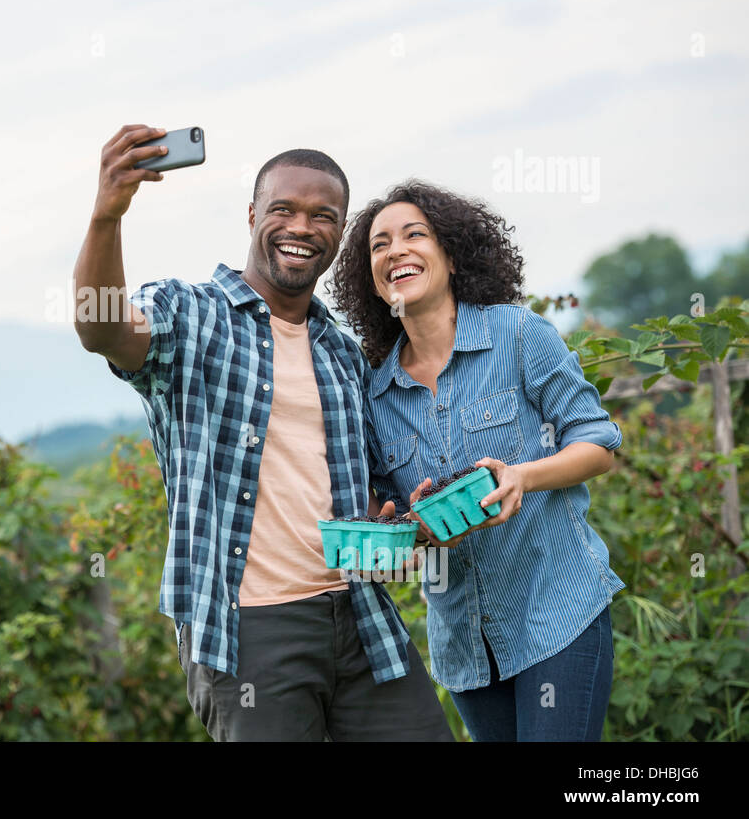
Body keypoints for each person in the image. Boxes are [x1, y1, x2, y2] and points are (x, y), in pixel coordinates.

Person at [73, 124, 453, 741]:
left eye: (323, 216)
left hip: (361, 617)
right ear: (252, 214)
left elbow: (361, 493)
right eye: (284, 209)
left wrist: (400, 524)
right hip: (249, 630)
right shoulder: (190, 316)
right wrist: (106, 215)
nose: (302, 227)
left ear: (340, 231)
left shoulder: (342, 353)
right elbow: (101, 329)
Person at [329, 178, 623, 742]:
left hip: (556, 613)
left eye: (415, 235)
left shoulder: (518, 335)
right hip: (464, 646)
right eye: (379, 244)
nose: (396, 251)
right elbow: (393, 512)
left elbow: (597, 443)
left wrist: (522, 477)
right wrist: (408, 528)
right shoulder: (375, 392)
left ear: (452, 256)